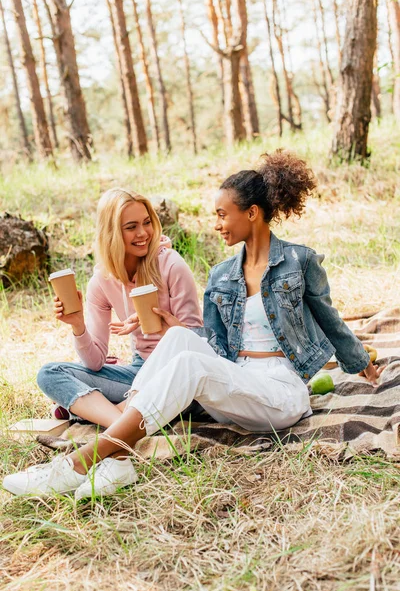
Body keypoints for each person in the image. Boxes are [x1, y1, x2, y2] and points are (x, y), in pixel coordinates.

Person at [3, 151, 383, 498]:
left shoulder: (300, 262)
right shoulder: (222, 275)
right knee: (182, 338)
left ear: (251, 213)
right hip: (236, 379)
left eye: (222, 214)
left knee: (188, 360)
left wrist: (358, 361)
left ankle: (79, 464)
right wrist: (170, 328)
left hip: (280, 393)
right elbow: (211, 344)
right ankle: (118, 462)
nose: (215, 224)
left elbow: (329, 319)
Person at [36, 188, 202, 428]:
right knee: (50, 374)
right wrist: (78, 325)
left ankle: (100, 414)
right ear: (111, 233)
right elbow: (94, 363)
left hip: (179, 373)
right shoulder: (102, 281)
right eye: (131, 227)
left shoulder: (171, 265)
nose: (143, 233)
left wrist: (166, 328)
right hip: (140, 371)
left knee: (168, 393)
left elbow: (195, 343)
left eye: (147, 223)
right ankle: (123, 426)